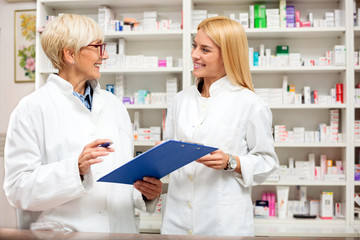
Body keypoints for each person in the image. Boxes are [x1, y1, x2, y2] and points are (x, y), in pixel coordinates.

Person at [3, 14, 162, 233]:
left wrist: (144, 192)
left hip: (119, 232)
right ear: (70, 54)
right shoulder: (31, 109)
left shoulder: (114, 105)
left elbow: (118, 182)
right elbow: (18, 190)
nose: (104, 55)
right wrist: (74, 170)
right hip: (65, 234)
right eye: (97, 47)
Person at [160, 16, 279, 236]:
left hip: (223, 222)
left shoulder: (250, 103)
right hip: (177, 218)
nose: (195, 54)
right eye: (195, 46)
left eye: (205, 49)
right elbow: (169, 161)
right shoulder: (180, 100)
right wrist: (162, 156)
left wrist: (231, 162)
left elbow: (267, 161)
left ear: (228, 56)